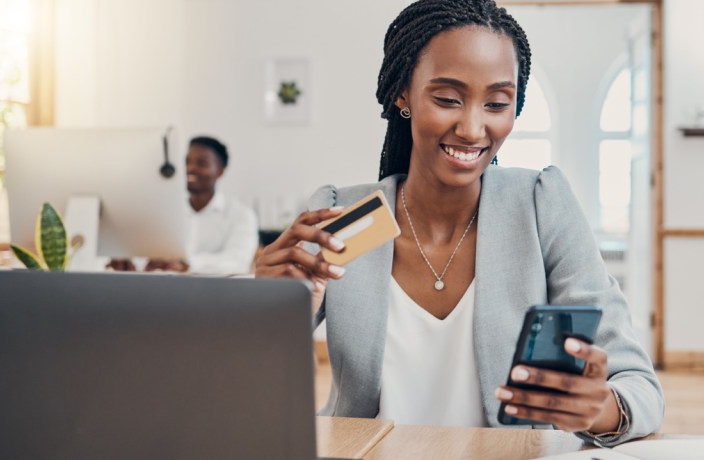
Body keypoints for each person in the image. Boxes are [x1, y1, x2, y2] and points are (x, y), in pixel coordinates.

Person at [255, 0, 663, 446]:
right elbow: (249, 379)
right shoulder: (345, 217)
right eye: (448, 99)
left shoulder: (540, 207)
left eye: (496, 103)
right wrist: (261, 308)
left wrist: (601, 407)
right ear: (403, 93)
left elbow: (641, 389)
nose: (472, 128)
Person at [108, 136, 259, 275]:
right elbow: (146, 252)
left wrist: (186, 264)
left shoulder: (241, 215)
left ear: (220, 171)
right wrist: (131, 262)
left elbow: (237, 263)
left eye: (202, 163)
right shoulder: (165, 210)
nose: (190, 168)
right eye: (187, 162)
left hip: (214, 295)